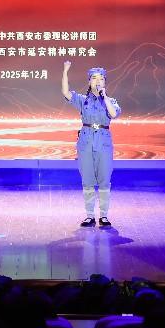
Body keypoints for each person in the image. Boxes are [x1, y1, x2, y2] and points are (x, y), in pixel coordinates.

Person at [61, 61, 120, 228]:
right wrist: (65, 71)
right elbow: (65, 92)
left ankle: (104, 215)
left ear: (105, 82)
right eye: (94, 78)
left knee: (104, 178)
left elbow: (113, 114)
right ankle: (89, 216)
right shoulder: (83, 100)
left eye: (101, 78)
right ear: (89, 81)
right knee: (87, 178)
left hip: (103, 140)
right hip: (86, 140)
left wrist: (104, 96)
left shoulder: (110, 100)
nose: (97, 81)